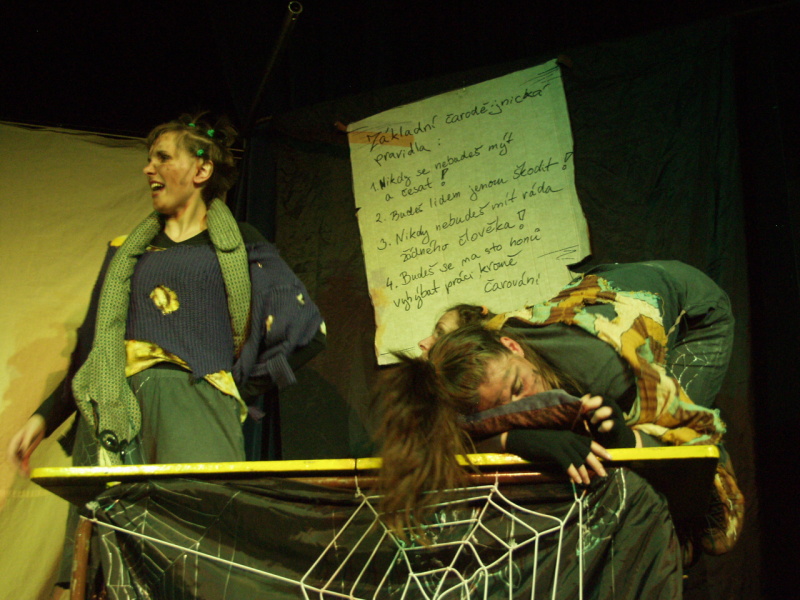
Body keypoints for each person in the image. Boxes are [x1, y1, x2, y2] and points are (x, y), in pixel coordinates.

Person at [7, 112, 326, 583]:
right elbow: (92, 351)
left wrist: (233, 386)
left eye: (162, 157)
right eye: (149, 158)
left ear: (202, 169)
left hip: (195, 409)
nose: (148, 168)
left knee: (200, 559)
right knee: (112, 561)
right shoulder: (126, 252)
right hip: (118, 414)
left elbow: (307, 331)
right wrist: (43, 417)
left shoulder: (240, 244)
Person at [375, 261, 742, 556]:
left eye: (518, 388)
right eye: (500, 411)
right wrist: (512, 441)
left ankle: (704, 504)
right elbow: (440, 441)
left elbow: (691, 440)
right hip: (609, 288)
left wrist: (626, 439)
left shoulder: (607, 369)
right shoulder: (481, 357)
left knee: (682, 476)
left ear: (513, 347)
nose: (522, 408)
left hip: (693, 312)